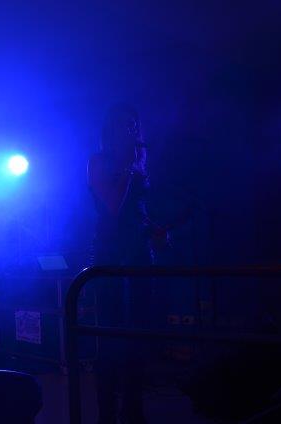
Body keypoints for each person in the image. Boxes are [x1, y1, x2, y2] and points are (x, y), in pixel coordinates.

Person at [88, 103, 166, 423]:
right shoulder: (99, 162)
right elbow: (112, 206)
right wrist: (129, 169)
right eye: (124, 124)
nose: (130, 130)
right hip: (110, 255)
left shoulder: (138, 161)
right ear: (111, 129)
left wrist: (154, 230)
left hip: (139, 255)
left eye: (134, 124)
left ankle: (134, 410)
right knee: (110, 338)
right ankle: (106, 413)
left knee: (138, 335)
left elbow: (136, 211)